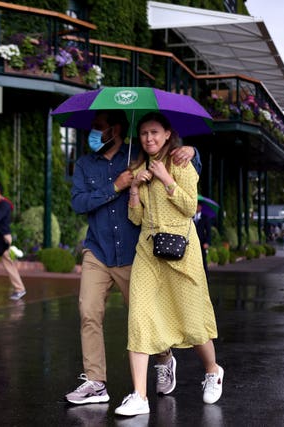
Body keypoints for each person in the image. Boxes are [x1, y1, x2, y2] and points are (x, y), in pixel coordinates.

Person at [66, 109, 200, 405]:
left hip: (133, 253)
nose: (93, 132)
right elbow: (78, 203)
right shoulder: (85, 164)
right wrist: (116, 186)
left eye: (99, 127)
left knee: (144, 318)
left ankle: (165, 357)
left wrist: (192, 150)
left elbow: (180, 160)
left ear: (116, 129)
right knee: (88, 312)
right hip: (97, 251)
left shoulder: (139, 152)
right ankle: (96, 382)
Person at [114, 112, 222, 417]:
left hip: (182, 251)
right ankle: (139, 395)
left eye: (155, 133)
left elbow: (189, 206)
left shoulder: (181, 162)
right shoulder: (138, 167)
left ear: (167, 134)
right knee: (139, 317)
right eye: (145, 133)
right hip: (148, 252)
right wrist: (135, 187)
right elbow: (135, 218)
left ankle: (213, 370)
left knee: (192, 319)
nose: (149, 138)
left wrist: (166, 178)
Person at [194, 203, 212, 279]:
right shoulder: (190, 217)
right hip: (192, 243)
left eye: (198, 206)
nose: (197, 207)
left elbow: (208, 232)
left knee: (203, 261)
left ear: (200, 207)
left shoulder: (205, 217)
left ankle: (206, 279)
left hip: (202, 243)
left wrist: (207, 242)